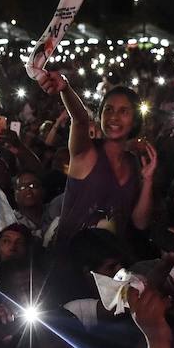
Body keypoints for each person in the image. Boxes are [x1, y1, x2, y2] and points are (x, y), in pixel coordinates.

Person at [38, 73, 155, 244]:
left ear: (135, 120)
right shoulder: (86, 152)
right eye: (108, 109)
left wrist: (148, 181)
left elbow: (140, 222)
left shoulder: (133, 163)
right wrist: (65, 88)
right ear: (100, 115)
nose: (114, 117)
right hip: (71, 263)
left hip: (110, 264)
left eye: (123, 111)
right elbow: (79, 119)